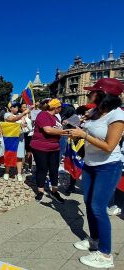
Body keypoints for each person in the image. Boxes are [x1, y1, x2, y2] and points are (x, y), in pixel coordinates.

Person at [69, 78, 124, 269]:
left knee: (98, 207)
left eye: (92, 91)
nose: (88, 93)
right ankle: (94, 240)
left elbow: (109, 146)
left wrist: (84, 135)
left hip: (108, 166)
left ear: (103, 95)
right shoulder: (95, 112)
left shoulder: (117, 116)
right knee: (88, 203)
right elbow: (78, 127)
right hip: (90, 164)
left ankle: (106, 254)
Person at [30, 98, 67, 203]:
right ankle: (40, 191)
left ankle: (54, 191)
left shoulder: (55, 117)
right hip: (41, 147)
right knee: (42, 169)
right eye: (60, 107)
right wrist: (65, 132)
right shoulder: (43, 115)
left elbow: (56, 129)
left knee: (54, 169)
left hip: (54, 147)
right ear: (55, 107)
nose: (61, 109)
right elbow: (48, 130)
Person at [4, 102, 30, 181]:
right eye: (14, 107)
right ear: (11, 108)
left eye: (17, 107)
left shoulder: (20, 115)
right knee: (9, 155)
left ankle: (19, 173)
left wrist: (24, 124)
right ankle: (7, 172)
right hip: (10, 138)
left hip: (20, 138)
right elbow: (13, 119)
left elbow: (25, 125)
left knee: (19, 156)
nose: (16, 108)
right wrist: (23, 113)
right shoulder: (6, 114)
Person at [20, 103, 34, 174]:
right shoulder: (20, 115)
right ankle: (22, 167)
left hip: (29, 135)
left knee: (29, 152)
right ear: (21, 108)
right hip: (22, 134)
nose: (25, 108)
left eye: (26, 107)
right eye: (23, 107)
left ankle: (29, 167)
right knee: (22, 152)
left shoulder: (31, 115)